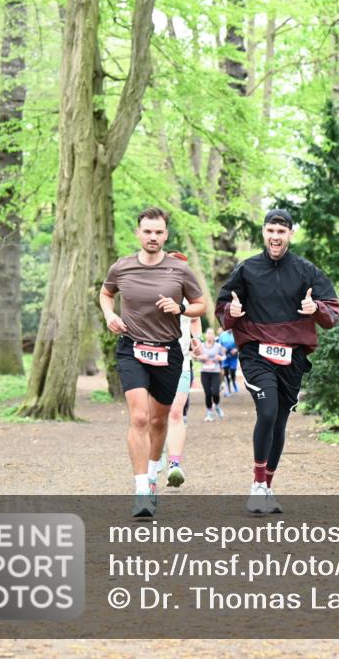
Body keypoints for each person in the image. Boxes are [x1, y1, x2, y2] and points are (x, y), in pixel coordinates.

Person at [216, 209, 339, 514]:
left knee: (280, 420)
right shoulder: (246, 269)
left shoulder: (306, 270)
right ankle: (257, 485)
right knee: (268, 411)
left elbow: (333, 313)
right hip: (256, 352)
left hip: (293, 355)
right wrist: (231, 312)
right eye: (271, 231)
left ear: (290, 235)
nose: (275, 237)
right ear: (263, 232)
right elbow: (223, 308)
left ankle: (267, 486)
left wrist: (316, 309)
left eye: (281, 232)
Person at [100, 207, 206, 517]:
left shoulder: (179, 270)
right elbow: (106, 294)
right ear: (138, 233)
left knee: (160, 420)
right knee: (140, 418)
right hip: (131, 348)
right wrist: (110, 315)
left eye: (159, 232)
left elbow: (200, 305)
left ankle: (153, 473)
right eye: (148, 231)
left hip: (168, 352)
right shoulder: (122, 267)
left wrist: (181, 308)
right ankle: (141, 490)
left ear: (166, 235)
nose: (153, 237)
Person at [163, 251, 202, 488]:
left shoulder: (190, 298)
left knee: (176, 412)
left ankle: (174, 465)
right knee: (154, 416)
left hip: (182, 361)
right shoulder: (154, 290)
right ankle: (154, 458)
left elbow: (195, 318)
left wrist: (196, 339)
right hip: (154, 361)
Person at [197, 328, 225, 421]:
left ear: (214, 335)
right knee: (208, 393)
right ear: (206, 335)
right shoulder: (202, 346)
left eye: (211, 333)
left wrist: (220, 358)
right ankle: (209, 413)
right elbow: (196, 356)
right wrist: (201, 357)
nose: (210, 335)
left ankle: (216, 406)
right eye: (208, 333)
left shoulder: (218, 346)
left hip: (215, 372)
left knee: (215, 393)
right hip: (204, 372)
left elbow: (224, 356)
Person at [219, 328, 239, 396]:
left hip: (233, 357)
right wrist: (222, 349)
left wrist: (236, 349)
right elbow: (219, 345)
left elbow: (240, 345)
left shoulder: (236, 334)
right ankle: (228, 390)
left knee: (233, 372)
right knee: (226, 373)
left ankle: (234, 382)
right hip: (225, 356)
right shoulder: (222, 335)